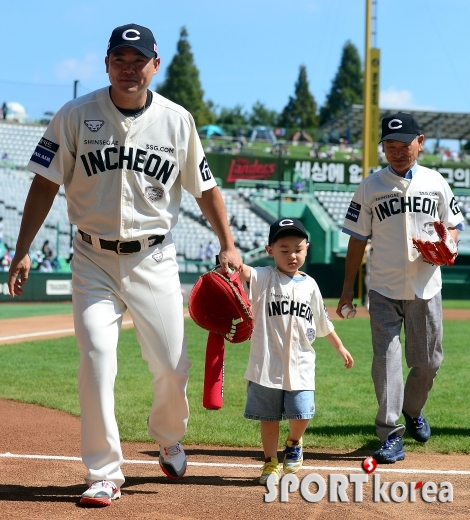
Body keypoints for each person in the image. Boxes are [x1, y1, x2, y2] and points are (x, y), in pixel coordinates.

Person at [7, 23, 241, 507]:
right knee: (95, 360)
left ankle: (169, 435)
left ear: (155, 66)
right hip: (91, 257)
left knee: (172, 366)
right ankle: (104, 471)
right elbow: (45, 184)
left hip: (154, 256)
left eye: (139, 61)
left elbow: (206, 187)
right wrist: (23, 247)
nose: (129, 69)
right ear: (106, 63)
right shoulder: (75, 115)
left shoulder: (177, 121)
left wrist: (229, 244)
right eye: (120, 60)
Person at [337, 112, 465, 464]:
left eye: (403, 145)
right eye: (389, 146)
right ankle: (390, 433)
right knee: (387, 360)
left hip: (426, 286)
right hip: (382, 287)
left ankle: (412, 409)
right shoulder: (370, 186)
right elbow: (356, 240)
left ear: (419, 142)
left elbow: (454, 225)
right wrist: (348, 289)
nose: (396, 151)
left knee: (427, 363)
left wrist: (449, 243)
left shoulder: (436, 181)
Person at [239, 218, 354, 485]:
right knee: (268, 418)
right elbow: (245, 272)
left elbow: (322, 321)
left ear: (307, 249)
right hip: (266, 363)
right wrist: (231, 261)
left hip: (301, 362)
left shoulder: (311, 285)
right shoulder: (265, 277)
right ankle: (269, 462)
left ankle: (294, 441)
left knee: (302, 412)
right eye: (284, 249)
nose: (292, 255)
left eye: (298, 249)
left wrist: (340, 347)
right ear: (270, 251)